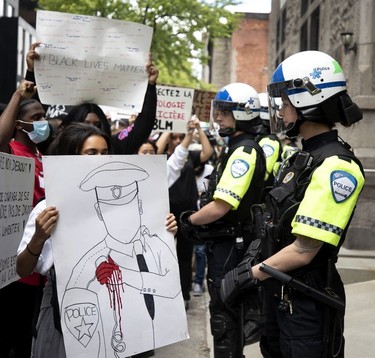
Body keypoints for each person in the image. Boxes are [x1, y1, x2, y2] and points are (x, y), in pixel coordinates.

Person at [220, 51, 365, 358]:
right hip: (281, 292)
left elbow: (304, 249)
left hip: (308, 303)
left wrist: (249, 275)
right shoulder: (299, 159)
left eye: (286, 101)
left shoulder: (337, 165)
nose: (282, 109)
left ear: (309, 99)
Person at [16, 122, 178, 358]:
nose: (100, 158)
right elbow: (23, 269)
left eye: (104, 153)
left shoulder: (142, 230)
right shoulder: (49, 208)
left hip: (129, 327)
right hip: (66, 324)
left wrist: (166, 231)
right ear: (70, 157)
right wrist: (39, 237)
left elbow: (168, 284)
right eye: (91, 153)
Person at [179, 82, 266, 357]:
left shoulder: (244, 151)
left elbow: (221, 206)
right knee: (223, 317)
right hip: (226, 243)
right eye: (219, 111)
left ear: (243, 113)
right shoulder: (235, 148)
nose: (218, 117)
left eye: (225, 112)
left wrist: (189, 221)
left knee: (225, 319)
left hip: (231, 245)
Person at [25, 42, 159, 155]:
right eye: (86, 123)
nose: (92, 129)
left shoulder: (113, 146)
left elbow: (143, 125)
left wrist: (150, 86)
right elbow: (30, 111)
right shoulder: (56, 145)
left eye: (97, 125)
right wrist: (32, 72)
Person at [0, 80, 53, 358]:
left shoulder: (41, 155)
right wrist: (18, 93)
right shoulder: (10, 151)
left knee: (30, 334)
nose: (43, 122)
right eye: (36, 118)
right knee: (16, 335)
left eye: (44, 116)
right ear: (19, 125)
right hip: (17, 265)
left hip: (39, 261)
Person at [157, 116, 214, 309]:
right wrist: (169, 126)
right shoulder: (162, 160)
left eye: (180, 137)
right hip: (166, 213)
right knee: (162, 254)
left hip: (187, 215)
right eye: (174, 137)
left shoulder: (189, 155)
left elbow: (208, 152)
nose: (177, 140)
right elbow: (156, 149)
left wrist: (198, 129)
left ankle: (184, 293)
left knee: (184, 255)